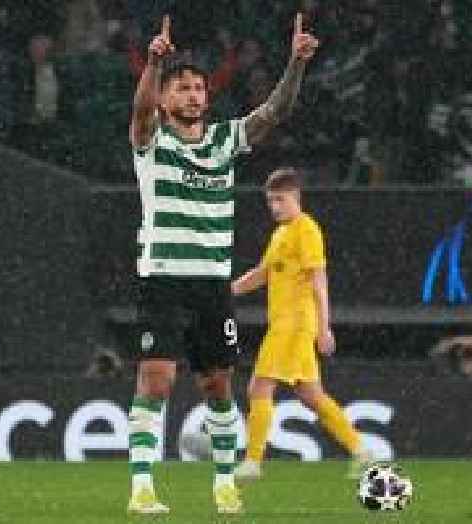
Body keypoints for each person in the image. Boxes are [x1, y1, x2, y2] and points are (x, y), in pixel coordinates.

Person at [127, 13, 318, 515]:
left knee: (217, 386)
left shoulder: (224, 141)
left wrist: (296, 63)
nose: (193, 95)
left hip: (212, 285)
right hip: (164, 279)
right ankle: (142, 486)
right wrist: (153, 64)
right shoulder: (153, 142)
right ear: (165, 99)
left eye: (198, 88)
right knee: (157, 380)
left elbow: (275, 111)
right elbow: (140, 112)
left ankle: (224, 484)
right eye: (182, 88)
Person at [231, 168, 373, 481]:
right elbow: (261, 274)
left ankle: (253, 461)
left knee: (259, 386)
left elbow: (319, 281)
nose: (274, 207)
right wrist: (226, 291)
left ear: (296, 197)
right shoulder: (280, 234)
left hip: (294, 324)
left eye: (280, 200)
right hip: (286, 324)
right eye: (271, 201)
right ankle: (361, 451)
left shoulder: (306, 230)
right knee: (311, 394)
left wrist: (324, 327)